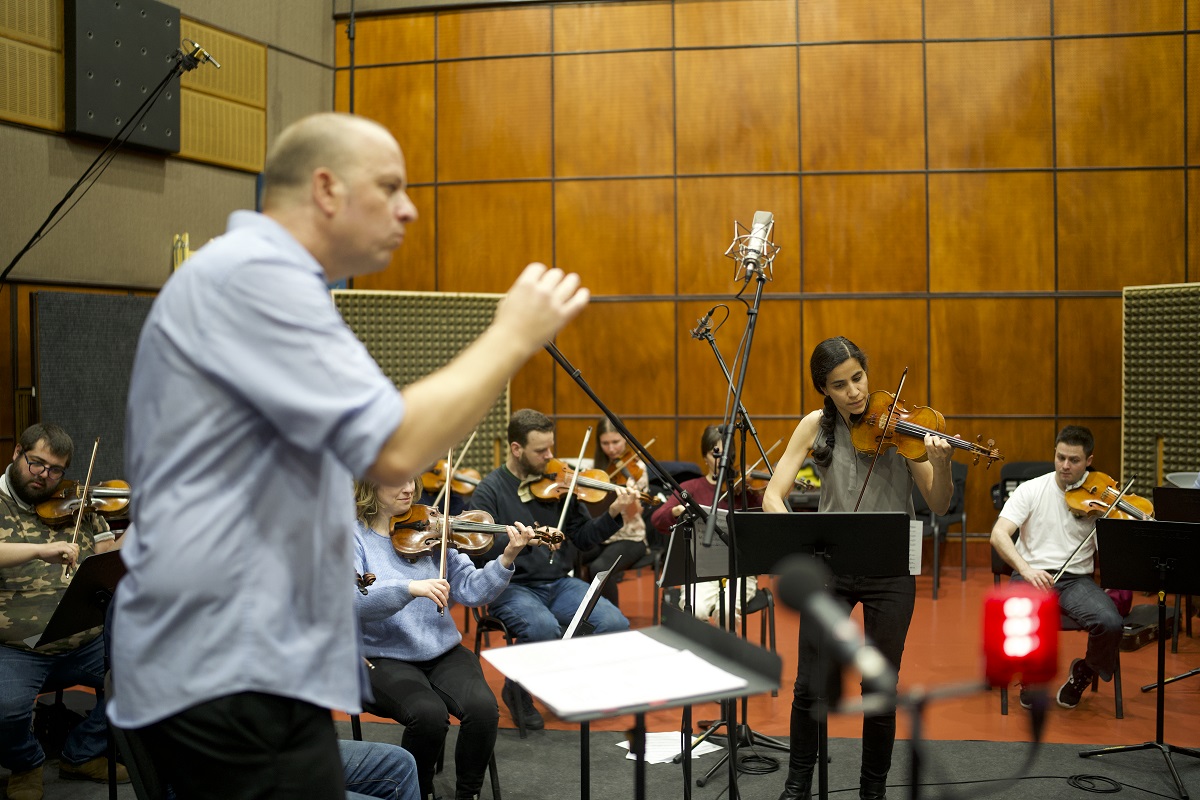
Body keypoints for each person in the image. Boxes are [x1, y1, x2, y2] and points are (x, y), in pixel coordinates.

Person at [108, 112, 590, 800]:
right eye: (390, 186)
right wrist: (511, 334)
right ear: (328, 189)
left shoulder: (263, 279)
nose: (409, 208)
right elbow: (395, 450)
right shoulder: (256, 280)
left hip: (234, 664)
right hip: (223, 671)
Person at [763, 337, 953, 800]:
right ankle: (797, 787)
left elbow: (940, 504)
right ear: (823, 390)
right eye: (839, 385)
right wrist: (794, 543)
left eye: (858, 378)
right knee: (810, 684)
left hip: (891, 568)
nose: (853, 392)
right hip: (831, 564)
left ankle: (873, 792)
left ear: (867, 372)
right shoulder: (815, 425)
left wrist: (942, 465)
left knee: (879, 687)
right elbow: (772, 494)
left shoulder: (904, 427)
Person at [354, 477, 539, 800]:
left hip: (441, 648)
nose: (409, 487)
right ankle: (417, 793)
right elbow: (354, 601)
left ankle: (468, 794)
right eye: (398, 480)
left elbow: (471, 589)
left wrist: (507, 557)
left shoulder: (433, 528)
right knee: (428, 715)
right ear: (370, 484)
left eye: (413, 478)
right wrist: (408, 588)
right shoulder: (352, 537)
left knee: (483, 709)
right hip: (382, 655)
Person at [468, 409, 633, 729]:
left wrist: (613, 512)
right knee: (543, 628)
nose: (550, 456)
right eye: (541, 451)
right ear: (517, 449)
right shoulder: (490, 490)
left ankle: (572, 682)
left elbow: (584, 538)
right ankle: (517, 692)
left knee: (614, 622)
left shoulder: (559, 483)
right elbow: (477, 552)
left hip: (558, 582)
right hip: (512, 586)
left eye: (551, 448)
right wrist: (517, 546)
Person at [0, 423, 129, 800]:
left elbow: (109, 559)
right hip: (17, 648)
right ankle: (26, 763)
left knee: (144, 670)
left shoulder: (78, 505)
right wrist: (41, 549)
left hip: (82, 637)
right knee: (5, 709)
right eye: (36, 463)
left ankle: (82, 752)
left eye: (56, 470)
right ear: (17, 453)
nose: (45, 476)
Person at [989, 425, 1123, 711]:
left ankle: (1083, 673)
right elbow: (999, 534)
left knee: (1110, 623)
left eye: (1074, 460)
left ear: (1089, 460)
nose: (1065, 466)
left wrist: (1115, 521)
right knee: (1019, 617)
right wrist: (1025, 569)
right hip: (1030, 575)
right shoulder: (1031, 489)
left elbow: (1113, 552)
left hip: (1076, 581)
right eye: (1060, 457)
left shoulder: (1101, 497)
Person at [650, 425, 762, 622]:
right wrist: (677, 511)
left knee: (727, 611)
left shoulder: (743, 490)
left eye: (727, 454)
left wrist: (754, 494)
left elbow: (766, 521)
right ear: (705, 457)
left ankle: (725, 652)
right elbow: (657, 519)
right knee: (696, 611)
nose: (721, 460)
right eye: (715, 453)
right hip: (700, 571)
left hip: (739, 570)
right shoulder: (690, 488)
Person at [579, 417, 650, 605]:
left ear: (625, 439)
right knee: (572, 554)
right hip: (601, 535)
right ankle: (580, 613)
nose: (611, 449)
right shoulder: (596, 469)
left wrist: (632, 495)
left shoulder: (638, 470)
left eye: (615, 442)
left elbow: (636, 514)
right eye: (605, 443)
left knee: (599, 568)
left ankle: (613, 622)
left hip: (630, 537)